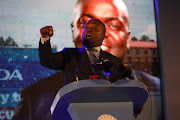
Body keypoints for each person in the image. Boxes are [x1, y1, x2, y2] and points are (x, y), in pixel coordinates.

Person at [13, 0, 162, 120]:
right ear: (75, 32)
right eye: (85, 26)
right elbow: (47, 60)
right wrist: (45, 40)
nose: (88, 31)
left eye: (95, 29)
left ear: (103, 35)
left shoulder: (113, 62)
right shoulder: (68, 56)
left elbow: (127, 84)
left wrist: (135, 103)